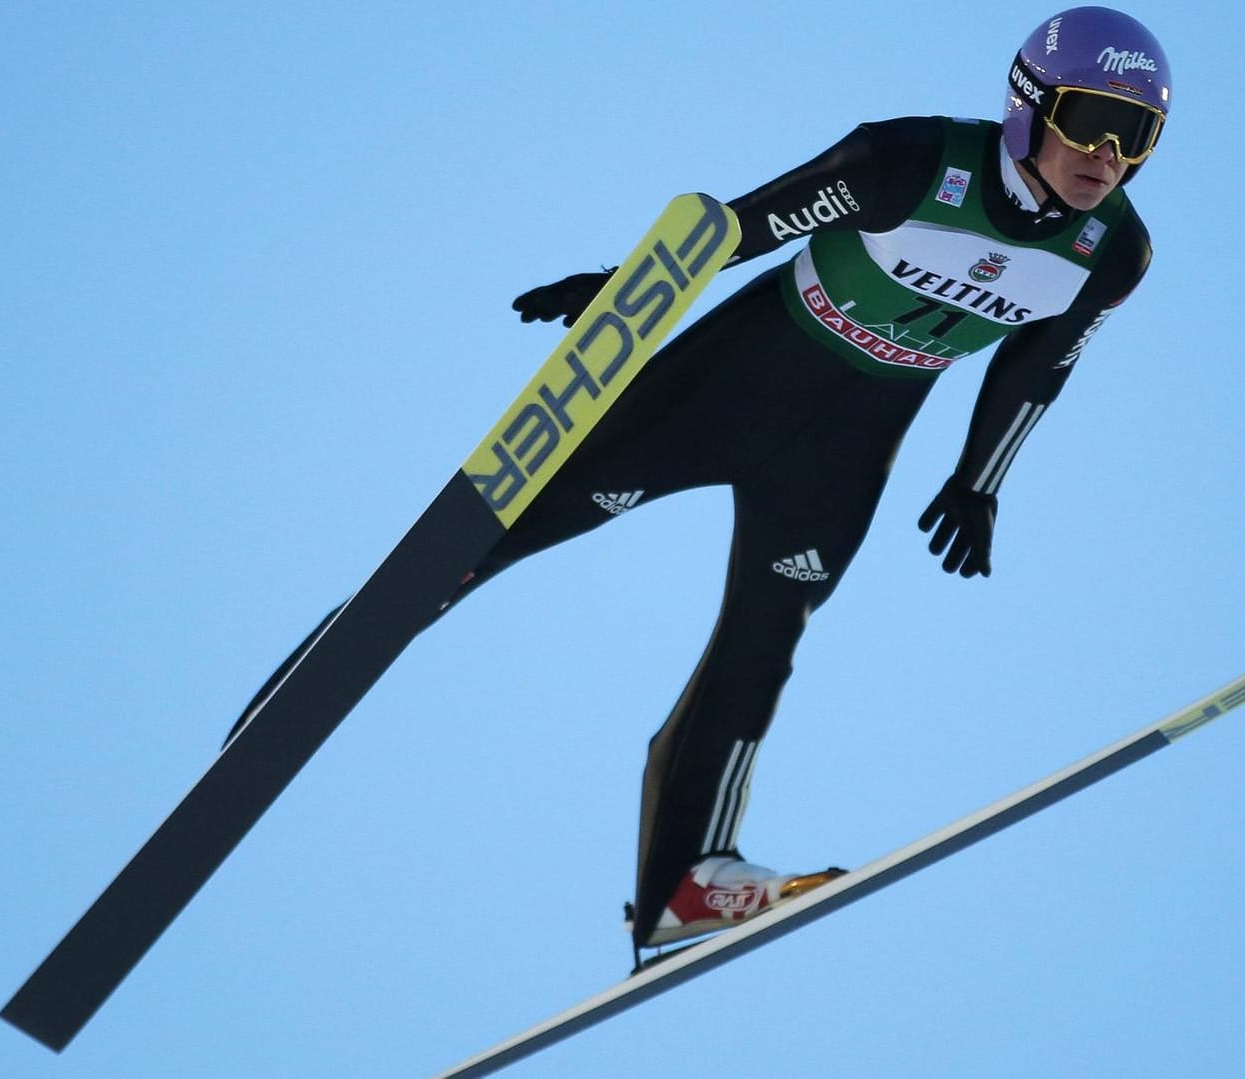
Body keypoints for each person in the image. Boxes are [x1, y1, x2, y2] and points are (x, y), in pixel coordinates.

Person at [240, 6, 1171, 966]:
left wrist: (979, 482)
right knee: (494, 533)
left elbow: (1037, 367)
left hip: (848, 448)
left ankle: (685, 889)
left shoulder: (1113, 254)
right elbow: (743, 225)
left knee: (763, 643)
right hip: (727, 386)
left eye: (1135, 131)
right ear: (1028, 106)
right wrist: (623, 286)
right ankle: (306, 692)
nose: (1107, 151)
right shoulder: (911, 160)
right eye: (1089, 115)